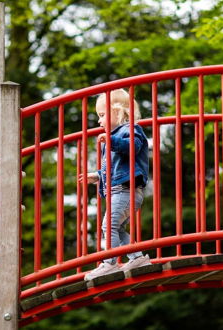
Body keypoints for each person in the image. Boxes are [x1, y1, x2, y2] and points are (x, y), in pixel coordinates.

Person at [81, 88, 151, 281]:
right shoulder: (113, 137)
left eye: (102, 115)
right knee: (117, 228)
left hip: (125, 191)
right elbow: (112, 169)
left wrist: (111, 140)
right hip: (119, 191)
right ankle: (138, 258)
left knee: (108, 226)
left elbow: (132, 147)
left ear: (118, 112)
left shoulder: (130, 130)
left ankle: (109, 263)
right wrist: (96, 175)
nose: (99, 120)